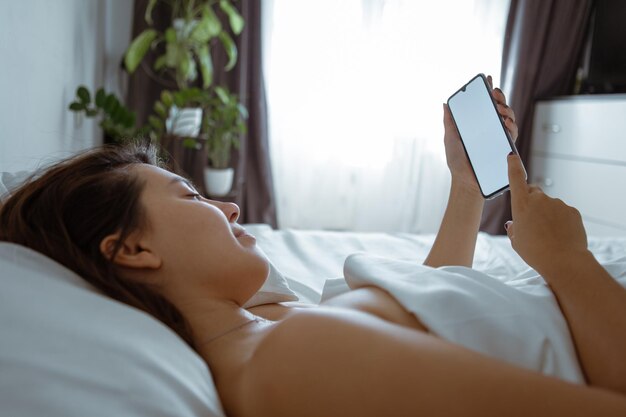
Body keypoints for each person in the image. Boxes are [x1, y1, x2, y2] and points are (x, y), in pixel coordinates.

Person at [1, 78, 626, 417]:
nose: (230, 207)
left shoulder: (276, 322)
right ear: (132, 250)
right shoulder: (291, 357)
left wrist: (465, 187)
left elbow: (437, 309)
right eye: (191, 197)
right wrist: (568, 260)